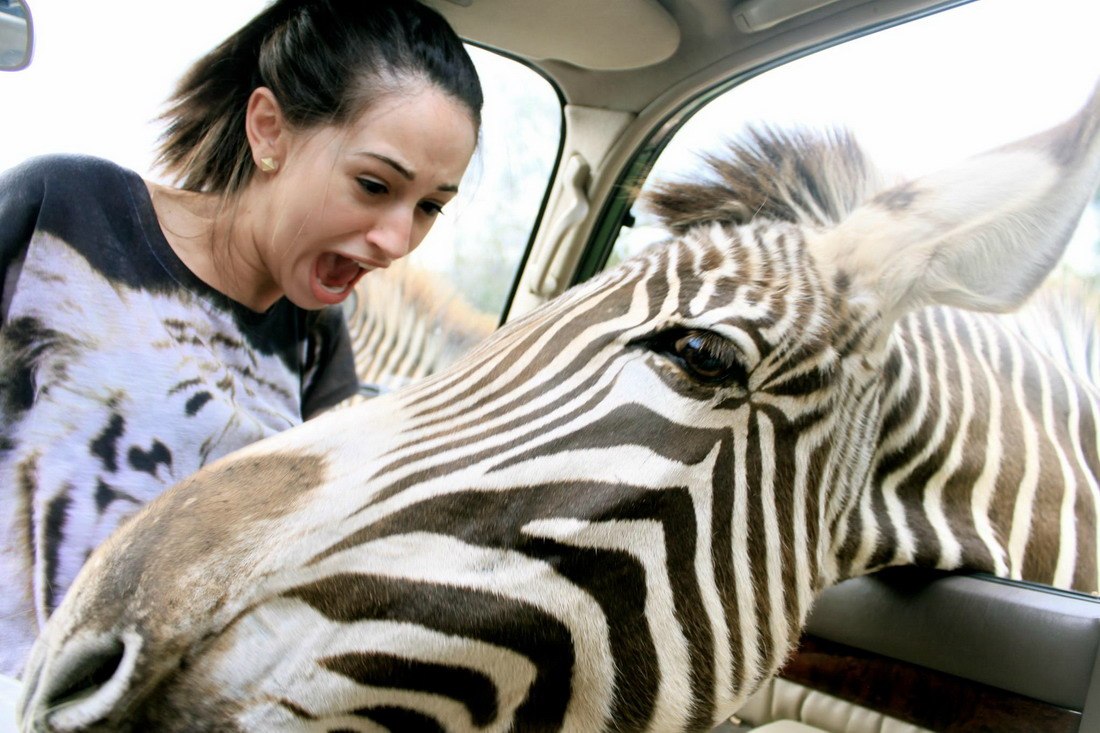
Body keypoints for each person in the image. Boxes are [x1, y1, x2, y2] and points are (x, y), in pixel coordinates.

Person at [0, 0, 482, 677]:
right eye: (374, 185)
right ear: (268, 132)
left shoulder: (315, 338)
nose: (397, 241)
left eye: (429, 207)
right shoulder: (65, 211)